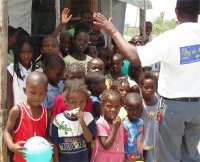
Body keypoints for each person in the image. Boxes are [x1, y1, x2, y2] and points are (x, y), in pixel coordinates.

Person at [93, 0, 200, 161]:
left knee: (168, 156)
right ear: (198, 11)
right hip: (197, 108)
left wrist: (113, 31)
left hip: (173, 108)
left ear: (176, 12)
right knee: (191, 154)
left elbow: (135, 57)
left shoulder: (171, 38)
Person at [4, 71, 49, 162]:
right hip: (20, 159)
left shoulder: (46, 113)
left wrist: (48, 145)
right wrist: (12, 146)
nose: (37, 97)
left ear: (46, 92)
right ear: (25, 91)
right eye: (33, 93)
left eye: (42, 93)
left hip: (40, 159)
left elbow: (46, 134)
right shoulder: (17, 110)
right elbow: (7, 131)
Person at [51, 79, 97, 162]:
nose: (78, 106)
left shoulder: (88, 117)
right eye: (73, 102)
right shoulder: (58, 120)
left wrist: (82, 121)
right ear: (66, 102)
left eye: (82, 102)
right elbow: (55, 146)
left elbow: (89, 139)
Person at [7, 35, 42, 112]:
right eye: (22, 52)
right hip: (18, 115)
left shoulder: (39, 71)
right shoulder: (11, 69)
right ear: (17, 53)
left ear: (33, 52)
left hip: (34, 114)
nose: (26, 56)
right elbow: (9, 96)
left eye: (29, 52)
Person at [91, 89, 125, 162]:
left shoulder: (120, 122)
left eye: (117, 106)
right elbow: (106, 146)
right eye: (109, 106)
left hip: (118, 158)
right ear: (102, 106)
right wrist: (115, 128)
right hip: (104, 158)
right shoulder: (101, 123)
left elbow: (121, 143)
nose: (113, 109)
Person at [140, 72, 158, 162]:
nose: (150, 90)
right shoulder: (140, 103)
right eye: (146, 87)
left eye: (152, 87)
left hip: (155, 139)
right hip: (143, 140)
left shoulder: (157, 99)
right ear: (141, 87)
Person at [123, 93, 143, 162]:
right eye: (130, 109)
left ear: (141, 109)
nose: (134, 112)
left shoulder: (141, 122)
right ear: (125, 108)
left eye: (137, 109)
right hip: (127, 157)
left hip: (139, 155)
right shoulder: (123, 124)